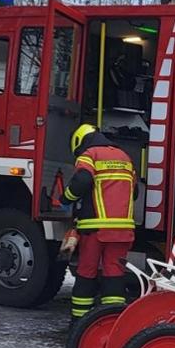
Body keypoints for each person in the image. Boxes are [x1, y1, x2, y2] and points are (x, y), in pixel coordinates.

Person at [60, 123, 136, 321]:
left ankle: (80, 324)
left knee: (87, 272)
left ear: (80, 141)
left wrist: (66, 198)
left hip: (95, 228)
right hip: (123, 230)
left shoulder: (90, 155)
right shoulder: (125, 157)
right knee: (114, 274)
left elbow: (82, 181)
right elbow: (134, 192)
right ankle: (111, 322)